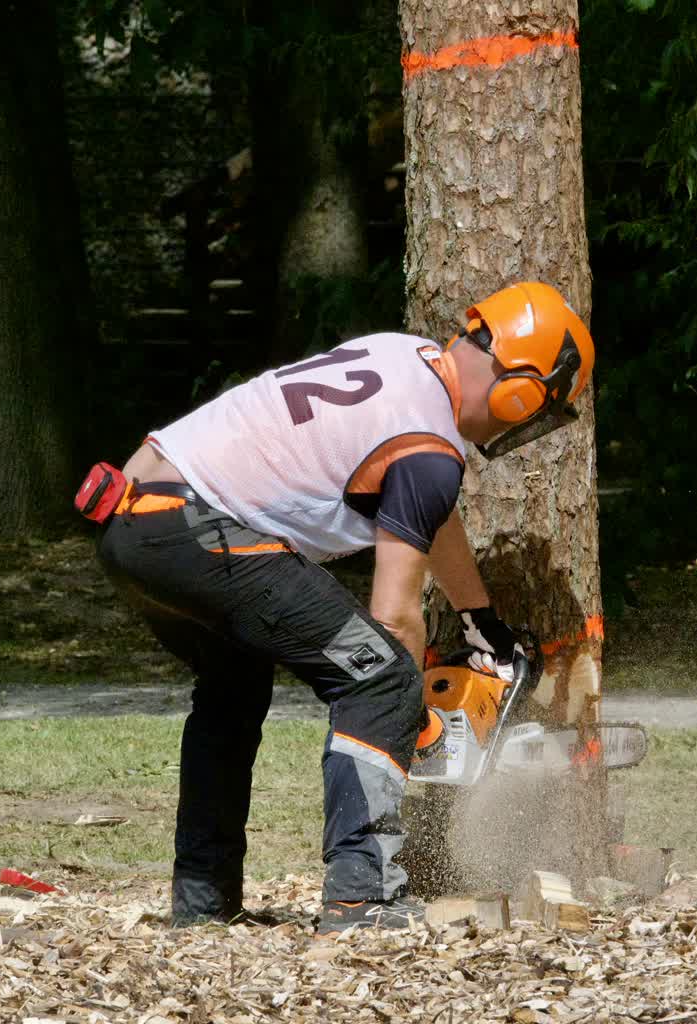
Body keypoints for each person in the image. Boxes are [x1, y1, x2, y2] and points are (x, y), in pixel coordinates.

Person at [86, 281, 594, 931]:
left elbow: (424, 514)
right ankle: (363, 898)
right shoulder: (429, 448)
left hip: (128, 521)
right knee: (379, 673)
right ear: (520, 388)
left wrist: (480, 621)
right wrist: (409, 716)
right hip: (198, 530)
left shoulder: (400, 356)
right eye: (532, 409)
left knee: (233, 686)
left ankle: (203, 902)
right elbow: (395, 618)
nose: (521, 422)